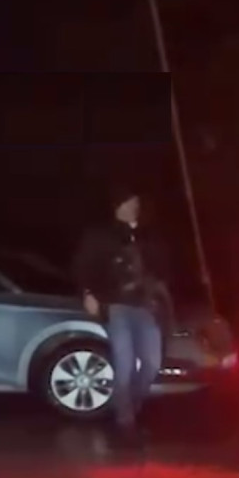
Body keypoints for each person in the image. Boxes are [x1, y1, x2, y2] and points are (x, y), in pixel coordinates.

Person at [72, 186, 169, 437]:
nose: (133, 207)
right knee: (124, 363)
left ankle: (130, 405)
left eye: (136, 203)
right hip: (117, 304)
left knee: (151, 363)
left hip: (146, 306)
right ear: (118, 206)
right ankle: (125, 421)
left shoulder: (148, 234)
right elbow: (83, 266)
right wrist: (88, 293)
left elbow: (163, 267)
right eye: (128, 203)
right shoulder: (100, 235)